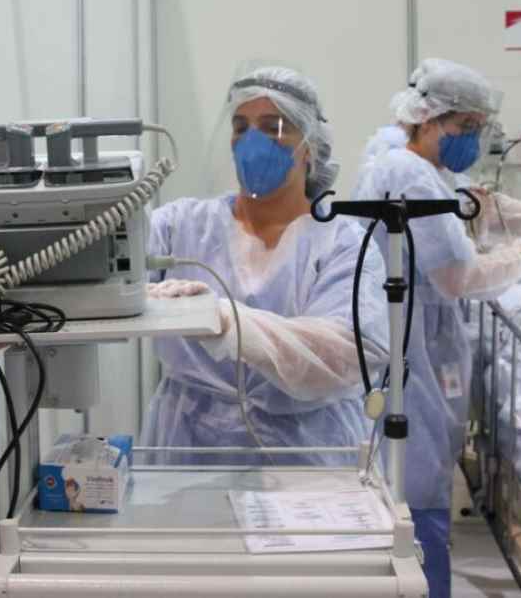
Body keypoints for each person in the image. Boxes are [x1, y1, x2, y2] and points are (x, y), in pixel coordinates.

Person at [353, 58, 521, 597]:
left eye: (478, 127)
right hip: (409, 342)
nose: (472, 138)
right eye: (465, 127)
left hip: (423, 336)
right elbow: (456, 275)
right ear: (427, 119)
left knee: (421, 467)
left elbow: (478, 207)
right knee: (416, 472)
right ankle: (423, 583)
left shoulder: (427, 169)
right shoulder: (406, 172)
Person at [142, 66, 389, 466]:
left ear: (309, 146)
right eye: (241, 127)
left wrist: (229, 323)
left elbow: (346, 354)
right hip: (189, 447)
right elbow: (112, 279)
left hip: (308, 452)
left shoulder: (343, 243)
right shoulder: (180, 226)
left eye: (274, 127)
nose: (252, 141)